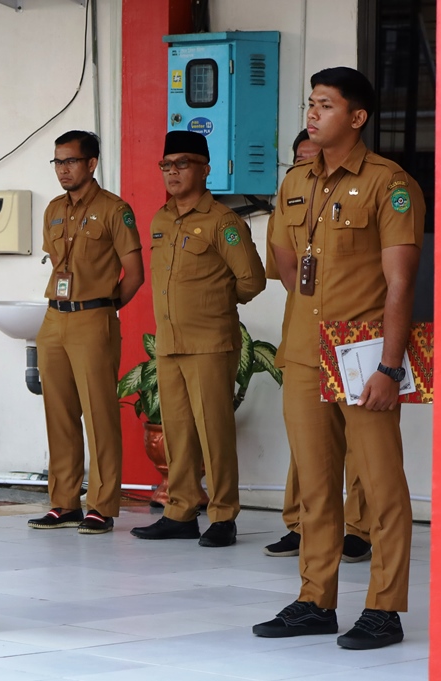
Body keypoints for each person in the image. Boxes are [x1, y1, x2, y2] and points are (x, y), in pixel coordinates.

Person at [252, 67, 424, 650]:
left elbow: (401, 284)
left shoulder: (389, 183)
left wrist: (390, 366)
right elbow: (281, 256)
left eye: (325, 105)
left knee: (380, 485)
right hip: (303, 350)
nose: (313, 113)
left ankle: (384, 608)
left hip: (363, 353)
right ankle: (314, 599)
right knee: (316, 486)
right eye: (310, 103)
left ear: (356, 117)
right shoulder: (295, 180)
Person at [130, 130, 266, 547]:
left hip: (210, 342)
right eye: (166, 165)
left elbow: (252, 280)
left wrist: (215, 302)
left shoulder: (223, 222)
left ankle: (223, 515)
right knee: (179, 432)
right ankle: (181, 510)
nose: (172, 173)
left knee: (215, 433)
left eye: (182, 164)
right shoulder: (161, 219)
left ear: (205, 169)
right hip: (170, 344)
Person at [263, 129, 372, 564]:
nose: (309, 166)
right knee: (307, 442)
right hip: (303, 334)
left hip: (355, 335)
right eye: (301, 160)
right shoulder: (290, 196)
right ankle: (300, 523)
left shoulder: (374, 186)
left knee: (361, 443)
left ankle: (359, 527)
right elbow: (285, 268)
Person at [27, 131, 144, 535]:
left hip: (93, 318)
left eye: (71, 161)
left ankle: (102, 504)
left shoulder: (115, 210)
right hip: (54, 318)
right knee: (58, 412)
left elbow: (135, 273)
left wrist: (104, 307)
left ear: (91, 163)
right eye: (58, 162)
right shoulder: (54, 209)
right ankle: (64, 503)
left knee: (99, 414)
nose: (63, 169)